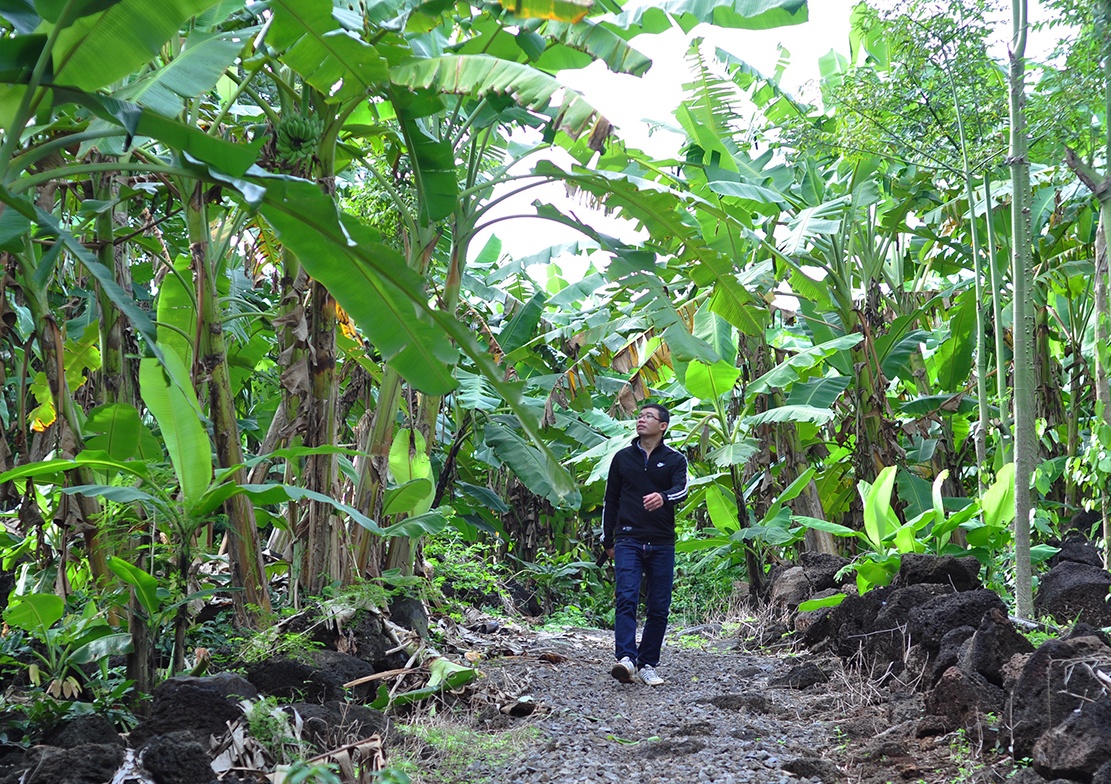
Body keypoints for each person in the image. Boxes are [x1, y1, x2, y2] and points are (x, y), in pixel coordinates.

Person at [602, 403, 688, 686]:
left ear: (663, 426)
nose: (641, 420)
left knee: (658, 606)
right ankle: (626, 658)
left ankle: (648, 663)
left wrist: (663, 497)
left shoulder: (675, 459)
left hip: (662, 542)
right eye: (639, 416)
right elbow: (610, 500)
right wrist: (608, 539)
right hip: (628, 538)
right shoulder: (622, 458)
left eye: (648, 416)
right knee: (626, 597)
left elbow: (682, 490)